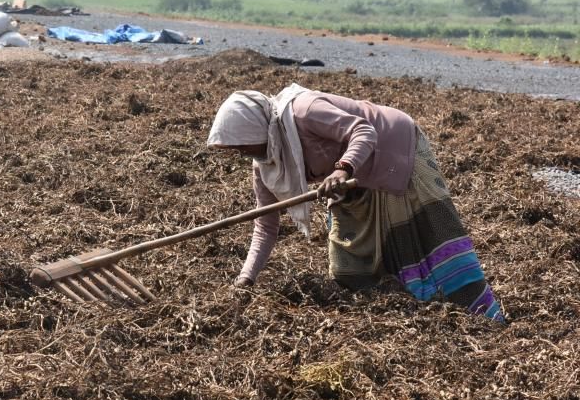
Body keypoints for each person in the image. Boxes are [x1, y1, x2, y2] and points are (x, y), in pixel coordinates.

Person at [207, 84, 504, 321]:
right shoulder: (266, 163)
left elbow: (364, 130)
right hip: (352, 180)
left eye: (242, 146)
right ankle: (397, 311)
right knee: (347, 267)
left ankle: (479, 312)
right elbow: (265, 226)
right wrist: (246, 278)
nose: (243, 154)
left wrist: (342, 168)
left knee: (427, 240)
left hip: (395, 153)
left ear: (256, 130)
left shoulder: (304, 110)